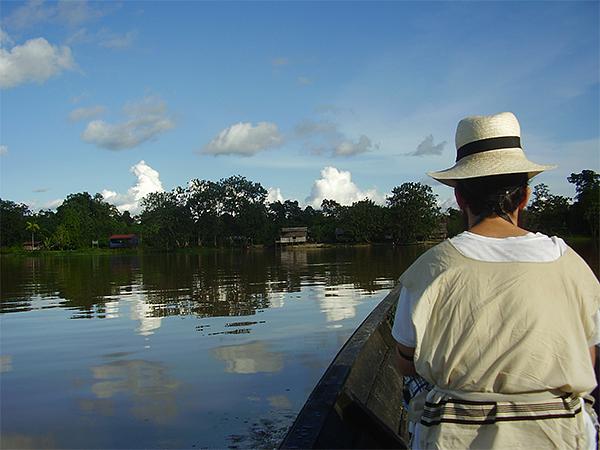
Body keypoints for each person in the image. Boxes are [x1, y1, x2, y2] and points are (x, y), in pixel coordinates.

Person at [391, 112, 600, 449]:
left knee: (415, 386)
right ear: (525, 195)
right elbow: (588, 358)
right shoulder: (571, 264)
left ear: (460, 198)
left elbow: (405, 361)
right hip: (561, 435)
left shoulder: (430, 268)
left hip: (454, 435)